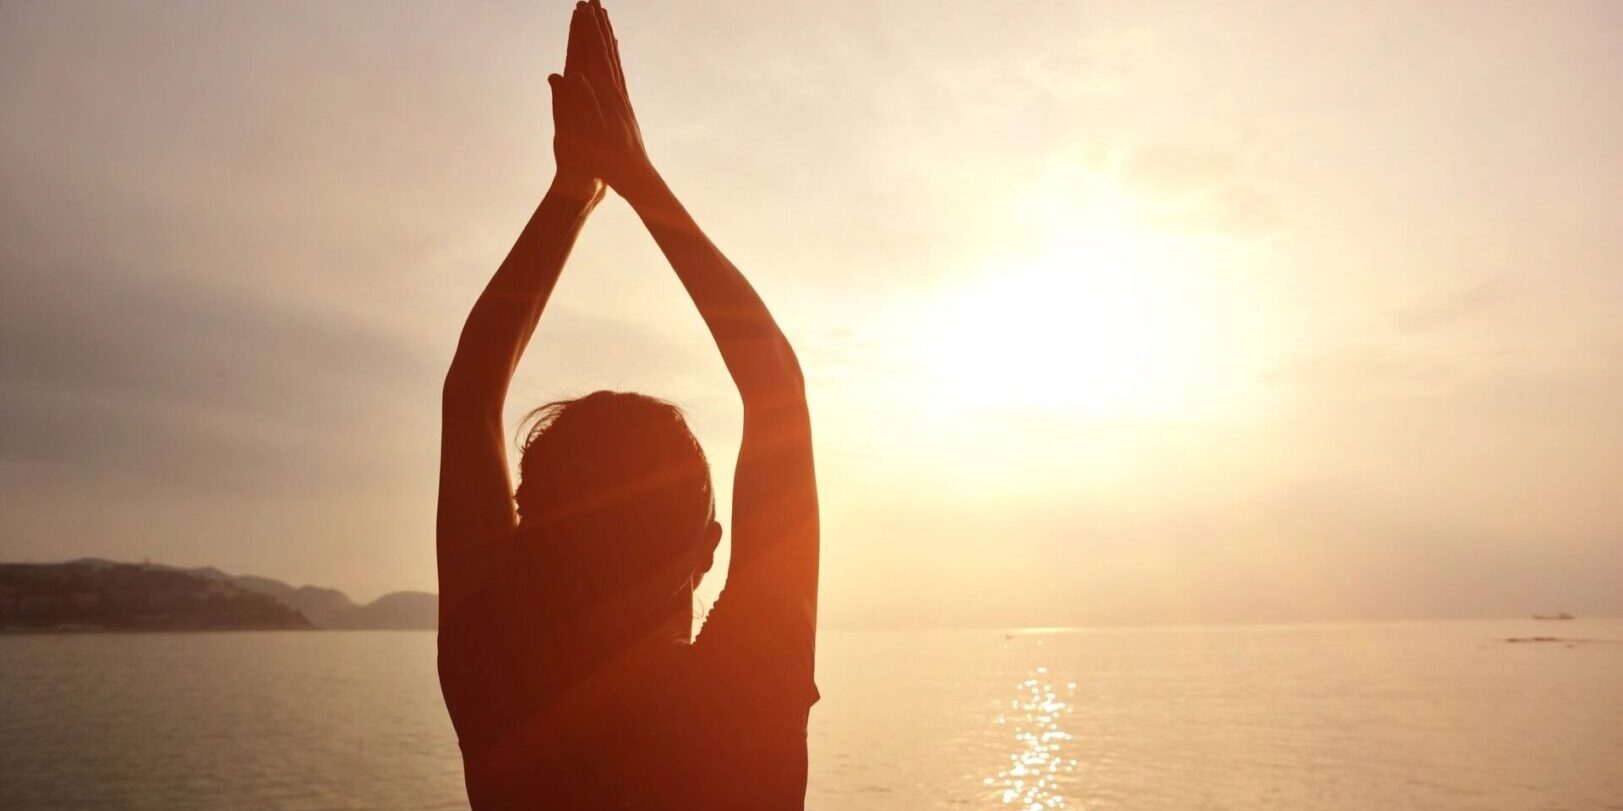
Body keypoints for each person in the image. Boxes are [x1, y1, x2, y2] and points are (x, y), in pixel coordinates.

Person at [435, 2, 820, 808]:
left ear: (528, 533)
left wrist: (576, 191)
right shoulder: (744, 691)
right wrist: (636, 173)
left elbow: (472, 393)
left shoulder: (496, 680)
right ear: (708, 546)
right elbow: (777, 385)